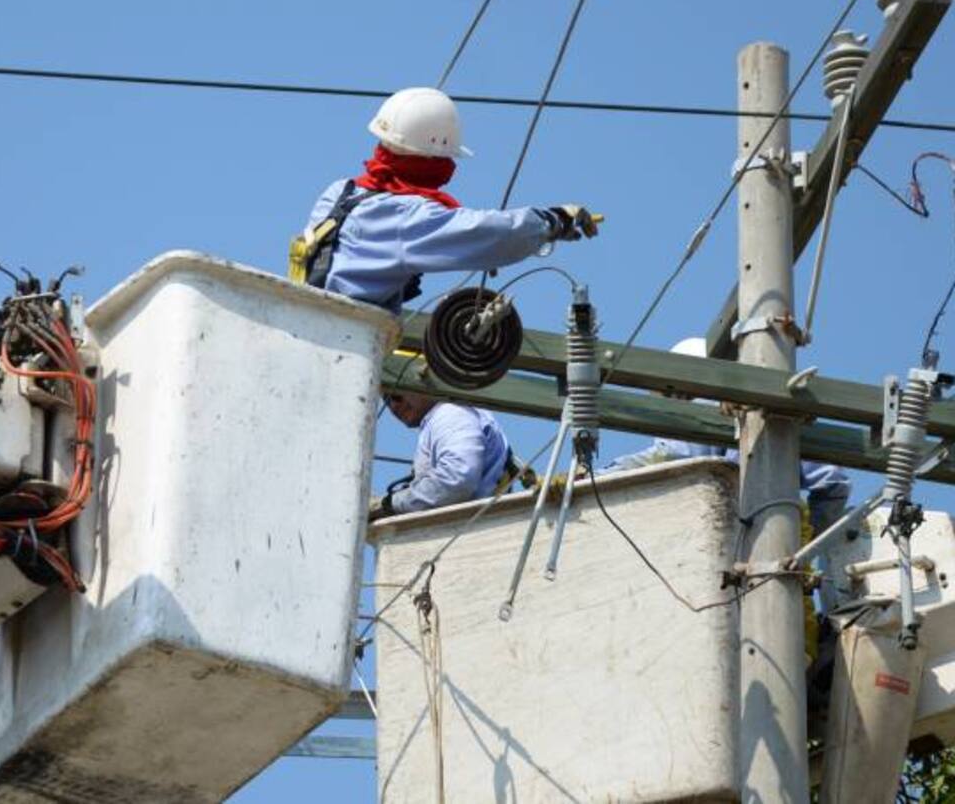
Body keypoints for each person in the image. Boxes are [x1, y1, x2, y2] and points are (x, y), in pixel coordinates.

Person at [293, 87, 599, 312]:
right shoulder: (408, 215)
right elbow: (489, 232)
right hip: (346, 338)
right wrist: (554, 219)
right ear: (434, 158)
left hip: (303, 322)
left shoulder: (339, 192)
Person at [606, 336, 852, 614]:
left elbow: (663, 456)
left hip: (706, 583)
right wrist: (805, 546)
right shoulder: (781, 424)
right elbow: (834, 483)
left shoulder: (698, 425)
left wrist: (594, 477)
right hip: (777, 584)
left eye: (676, 395)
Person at [371, 391, 528, 519]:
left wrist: (391, 504)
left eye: (397, 395)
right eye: (386, 400)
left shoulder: (449, 413)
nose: (393, 405)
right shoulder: (447, 415)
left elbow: (457, 478)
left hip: (469, 534)